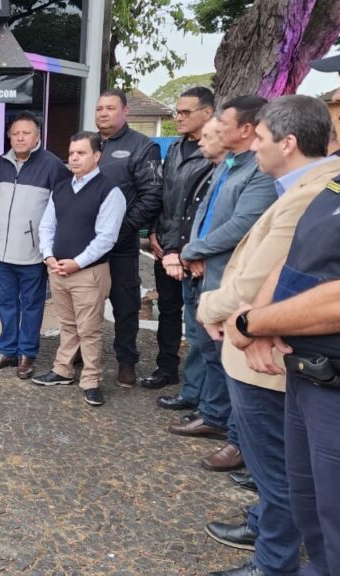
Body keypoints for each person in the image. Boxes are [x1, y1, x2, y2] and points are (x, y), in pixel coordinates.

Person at [225, 18, 340, 573]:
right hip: (313, 381)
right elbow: (300, 253)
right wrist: (262, 317)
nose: (339, 92)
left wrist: (250, 323)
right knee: (317, 527)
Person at [197, 96, 340, 576]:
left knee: (279, 473)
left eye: (259, 138)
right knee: (275, 469)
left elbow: (257, 281)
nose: (252, 146)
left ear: (288, 142)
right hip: (254, 344)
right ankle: (264, 527)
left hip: (263, 355)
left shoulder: (311, 194)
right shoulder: (300, 185)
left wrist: (208, 306)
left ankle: (273, 564)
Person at [166, 97, 276, 471]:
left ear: (245, 129)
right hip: (204, 268)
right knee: (210, 349)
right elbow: (205, 214)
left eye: (223, 122)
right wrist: (192, 250)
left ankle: (236, 437)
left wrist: (193, 250)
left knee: (228, 356)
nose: (215, 129)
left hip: (228, 276)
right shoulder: (228, 165)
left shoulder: (258, 173)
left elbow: (241, 224)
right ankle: (214, 416)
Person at [31, 132, 126, 407]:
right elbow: (47, 225)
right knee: (68, 325)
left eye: (81, 153)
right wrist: (48, 255)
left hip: (88, 272)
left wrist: (78, 262)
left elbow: (106, 237)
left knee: (89, 329)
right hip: (58, 269)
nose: (74, 158)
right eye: (71, 153)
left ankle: (92, 380)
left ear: (97, 156)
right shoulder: (61, 188)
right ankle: (62, 370)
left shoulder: (110, 192)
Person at [0, 111, 71, 379]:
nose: (20, 137)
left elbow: (61, 207)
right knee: (6, 303)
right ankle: (7, 350)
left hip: (33, 254)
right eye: (15, 133)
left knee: (32, 305)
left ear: (37, 136)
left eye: (26, 133)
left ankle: (26, 355)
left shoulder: (53, 166)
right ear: (9, 135)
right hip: (1, 252)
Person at [142, 87, 215, 390]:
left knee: (199, 319)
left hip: (194, 251)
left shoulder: (216, 154)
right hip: (164, 246)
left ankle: (201, 387)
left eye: (186, 112)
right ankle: (167, 367)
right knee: (169, 311)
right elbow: (164, 195)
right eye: (177, 111)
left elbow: (203, 207)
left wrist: (187, 248)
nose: (178, 117)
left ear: (207, 113)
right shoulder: (174, 149)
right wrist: (154, 234)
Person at [95, 89, 163, 388]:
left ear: (125, 112)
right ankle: (85, 356)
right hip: (88, 246)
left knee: (124, 306)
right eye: (99, 108)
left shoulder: (141, 146)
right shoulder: (89, 143)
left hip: (121, 245)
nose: (103, 113)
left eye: (110, 108)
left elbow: (151, 196)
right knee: (87, 303)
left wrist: (120, 230)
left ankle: (126, 362)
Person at [158, 118, 225, 412]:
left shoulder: (243, 173)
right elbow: (179, 210)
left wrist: (195, 252)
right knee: (195, 334)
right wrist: (173, 247)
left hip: (211, 266)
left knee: (208, 339)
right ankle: (195, 394)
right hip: (189, 259)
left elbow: (236, 224)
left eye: (208, 137)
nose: (200, 143)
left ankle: (211, 407)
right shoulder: (187, 158)